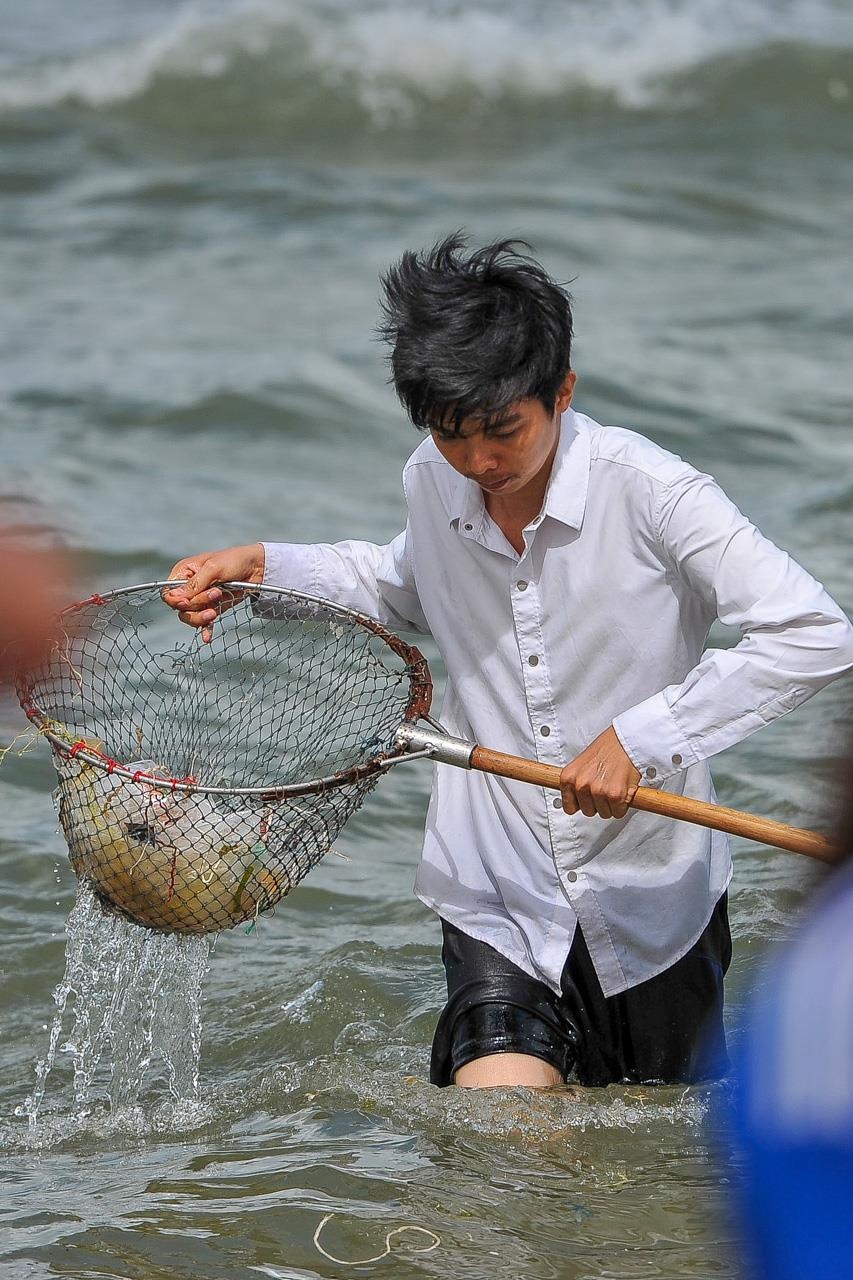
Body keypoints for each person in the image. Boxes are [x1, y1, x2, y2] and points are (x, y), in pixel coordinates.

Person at [164, 235, 853, 1091]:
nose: (479, 463)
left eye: (501, 429)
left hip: (651, 894)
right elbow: (405, 588)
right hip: (496, 882)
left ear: (561, 392)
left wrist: (639, 739)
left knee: (649, 1172)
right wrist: (265, 568)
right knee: (502, 1130)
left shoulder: (654, 493)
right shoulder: (432, 476)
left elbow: (815, 631)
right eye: (451, 435)